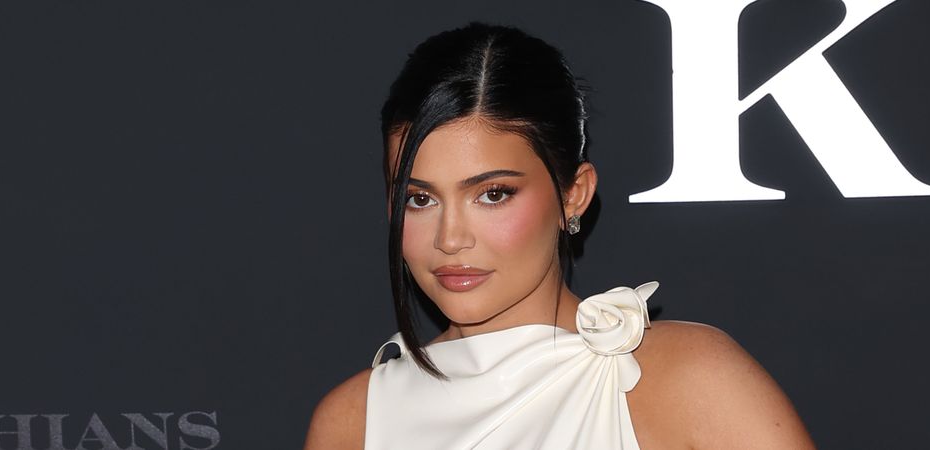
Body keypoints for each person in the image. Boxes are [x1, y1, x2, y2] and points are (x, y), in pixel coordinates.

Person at [304, 22, 815, 449]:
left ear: (574, 194)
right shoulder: (351, 423)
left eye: (493, 194)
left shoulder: (688, 379)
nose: (450, 239)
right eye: (420, 199)